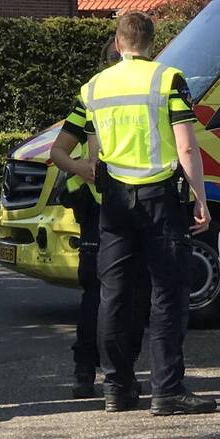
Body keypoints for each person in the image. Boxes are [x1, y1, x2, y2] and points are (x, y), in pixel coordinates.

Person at [81, 11, 215, 415]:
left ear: (118, 44)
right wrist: (200, 197)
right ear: (152, 44)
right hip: (160, 199)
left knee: (115, 295)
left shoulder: (94, 87)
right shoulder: (167, 79)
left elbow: (92, 152)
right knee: (167, 294)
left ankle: (117, 389)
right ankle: (167, 391)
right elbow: (187, 147)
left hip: (115, 203)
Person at [50, 38, 148, 399]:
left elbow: (58, 151)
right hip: (119, 205)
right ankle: (110, 372)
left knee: (102, 293)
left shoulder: (92, 95)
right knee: (126, 292)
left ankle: (89, 372)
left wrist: (82, 168)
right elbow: (59, 151)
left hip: (101, 207)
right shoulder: (107, 95)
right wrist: (87, 169)